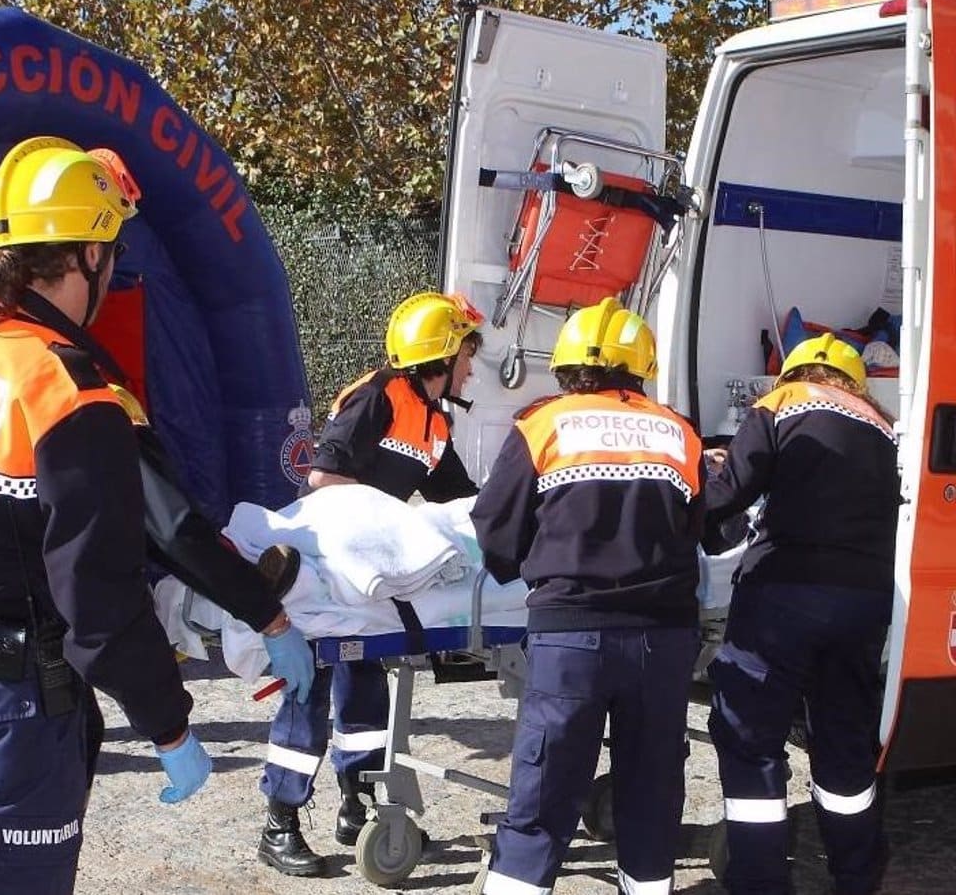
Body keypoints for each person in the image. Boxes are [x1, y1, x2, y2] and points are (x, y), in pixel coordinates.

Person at [0, 136, 305, 894]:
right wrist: (169, 723)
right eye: (110, 248)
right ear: (85, 257)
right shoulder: (68, 392)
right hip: (12, 689)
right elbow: (99, 601)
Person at [470, 297, 704, 895]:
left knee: (545, 790)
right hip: (664, 636)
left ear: (569, 365)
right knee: (651, 788)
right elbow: (711, 527)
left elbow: (495, 526)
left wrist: (523, 571)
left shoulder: (543, 425)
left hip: (572, 637)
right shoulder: (678, 432)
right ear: (640, 366)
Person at [257, 290, 483, 876]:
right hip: (329, 571)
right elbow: (325, 478)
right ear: (441, 353)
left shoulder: (434, 419)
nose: (471, 366)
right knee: (308, 689)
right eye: (466, 354)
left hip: (367, 584)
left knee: (364, 691)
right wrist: (382, 530)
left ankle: (356, 808)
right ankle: (278, 824)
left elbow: (459, 500)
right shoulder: (377, 397)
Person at [703, 333, 898, 895]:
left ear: (791, 373)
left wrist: (682, 516)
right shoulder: (881, 426)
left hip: (784, 595)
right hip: (864, 602)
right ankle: (857, 873)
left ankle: (761, 881)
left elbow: (733, 490)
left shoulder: (782, 404)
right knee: (842, 738)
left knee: (750, 737)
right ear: (853, 382)